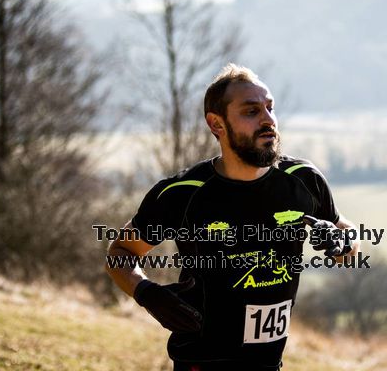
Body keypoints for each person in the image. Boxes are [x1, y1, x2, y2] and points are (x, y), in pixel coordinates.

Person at [105, 64, 360, 371]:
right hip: (201, 361)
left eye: (270, 108)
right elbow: (120, 253)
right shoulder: (184, 193)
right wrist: (146, 292)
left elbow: (348, 242)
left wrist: (344, 242)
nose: (268, 120)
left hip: (268, 363)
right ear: (217, 124)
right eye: (251, 112)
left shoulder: (303, 180)